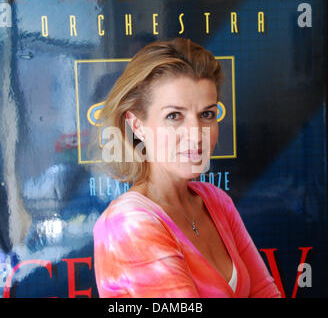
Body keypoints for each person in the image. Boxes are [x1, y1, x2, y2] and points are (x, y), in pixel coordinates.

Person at [89, 38, 281, 298]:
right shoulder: (128, 224)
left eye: (207, 115)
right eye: (174, 116)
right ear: (136, 125)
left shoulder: (215, 201)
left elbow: (265, 292)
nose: (196, 135)